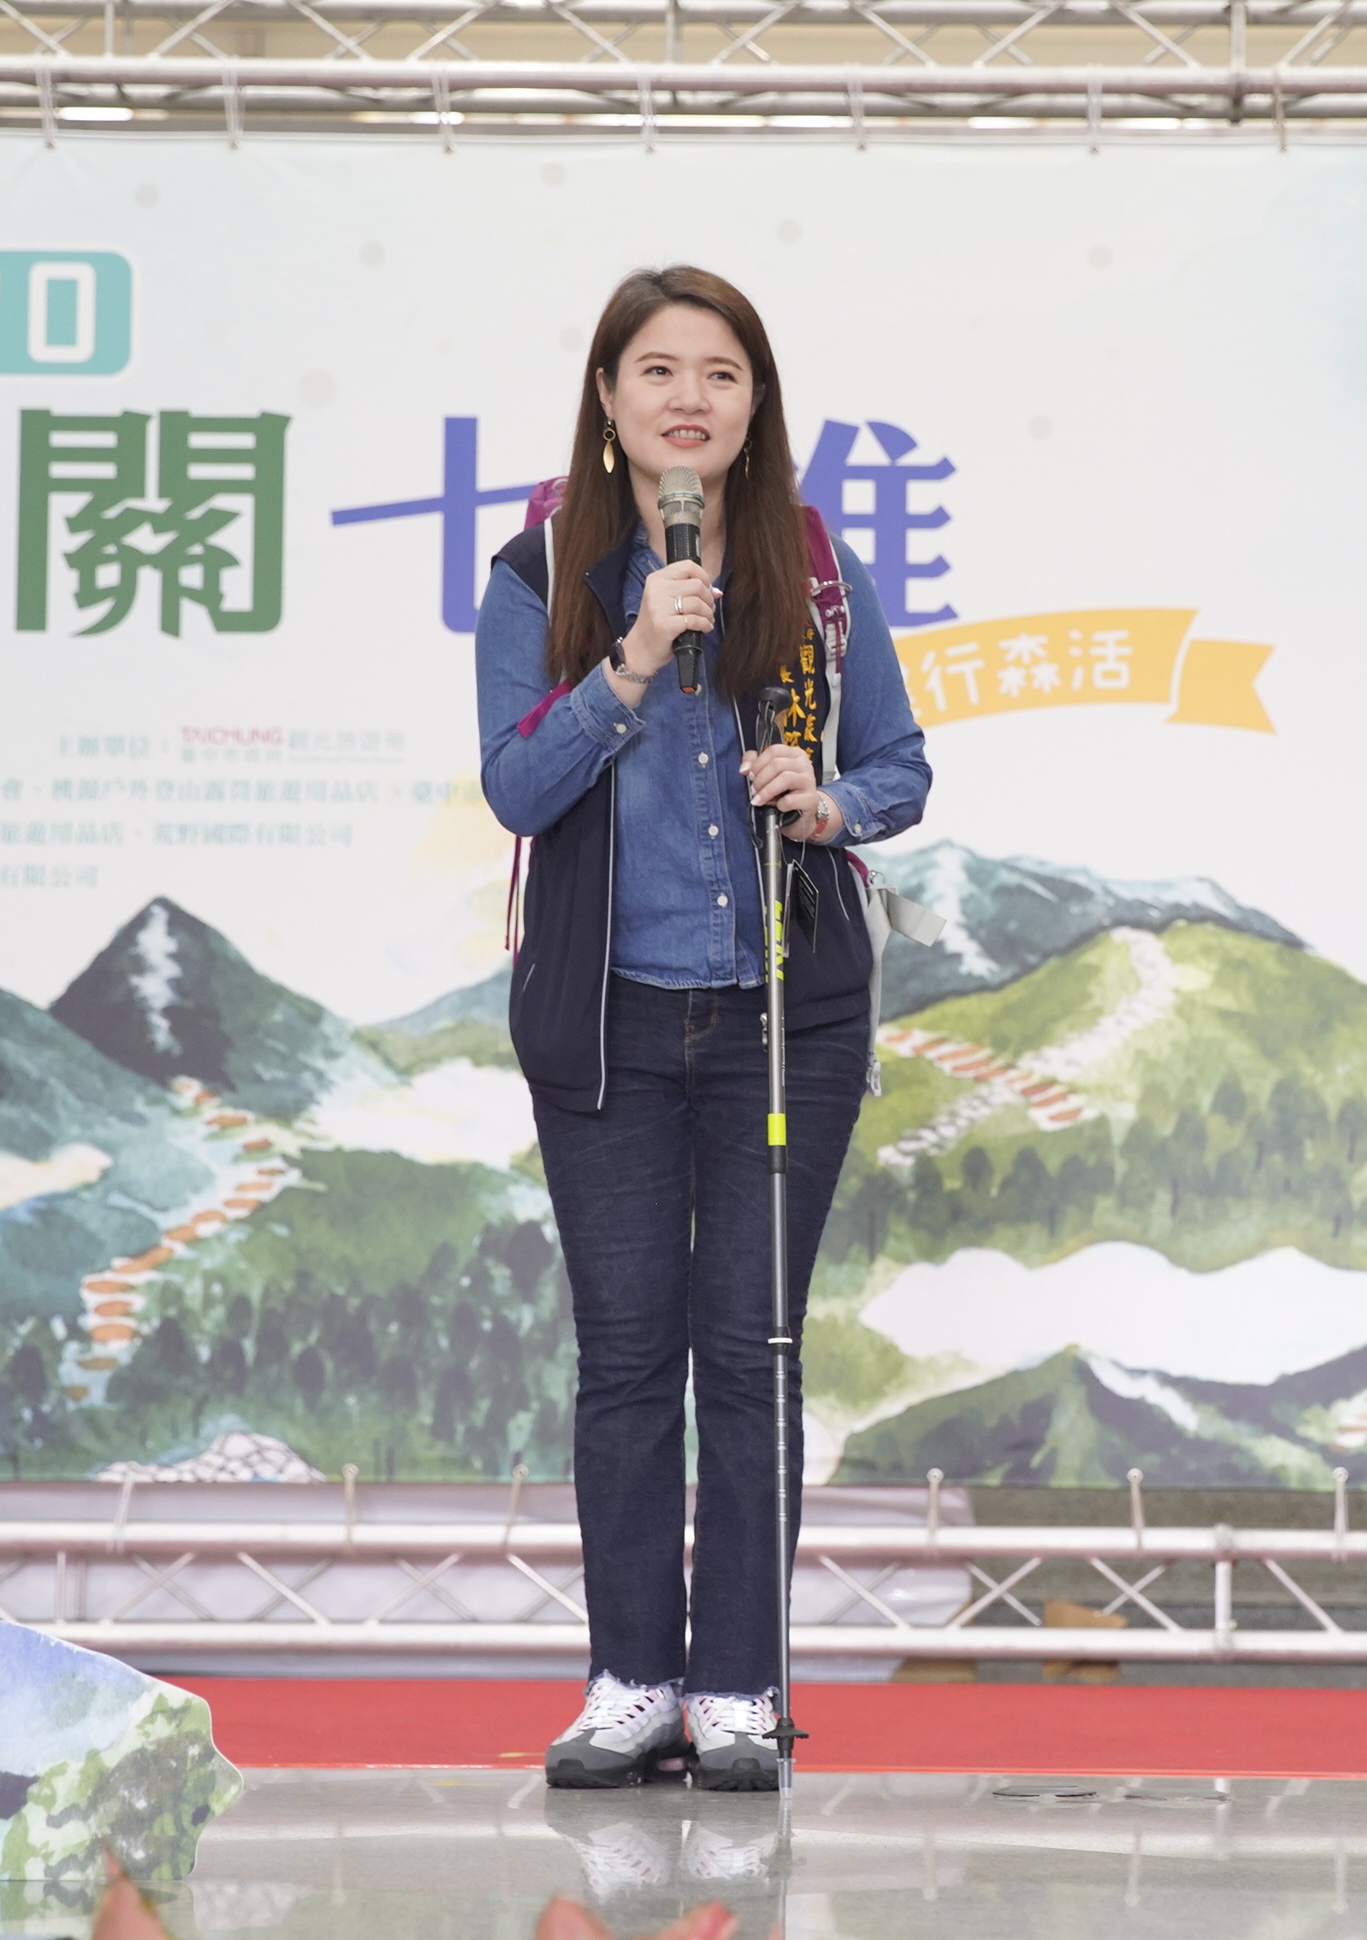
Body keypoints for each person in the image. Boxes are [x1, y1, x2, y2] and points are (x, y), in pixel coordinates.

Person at [475, 265, 931, 1792]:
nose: (690, 399)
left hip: (783, 1019)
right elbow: (516, 786)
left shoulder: (814, 568)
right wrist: (631, 662)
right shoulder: (543, 573)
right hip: (605, 1023)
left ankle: (738, 1687)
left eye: (721, 373)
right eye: (658, 371)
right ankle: (630, 1683)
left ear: (756, 404)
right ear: (608, 400)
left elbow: (901, 766)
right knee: (625, 1361)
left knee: (752, 1354)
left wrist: (827, 798)